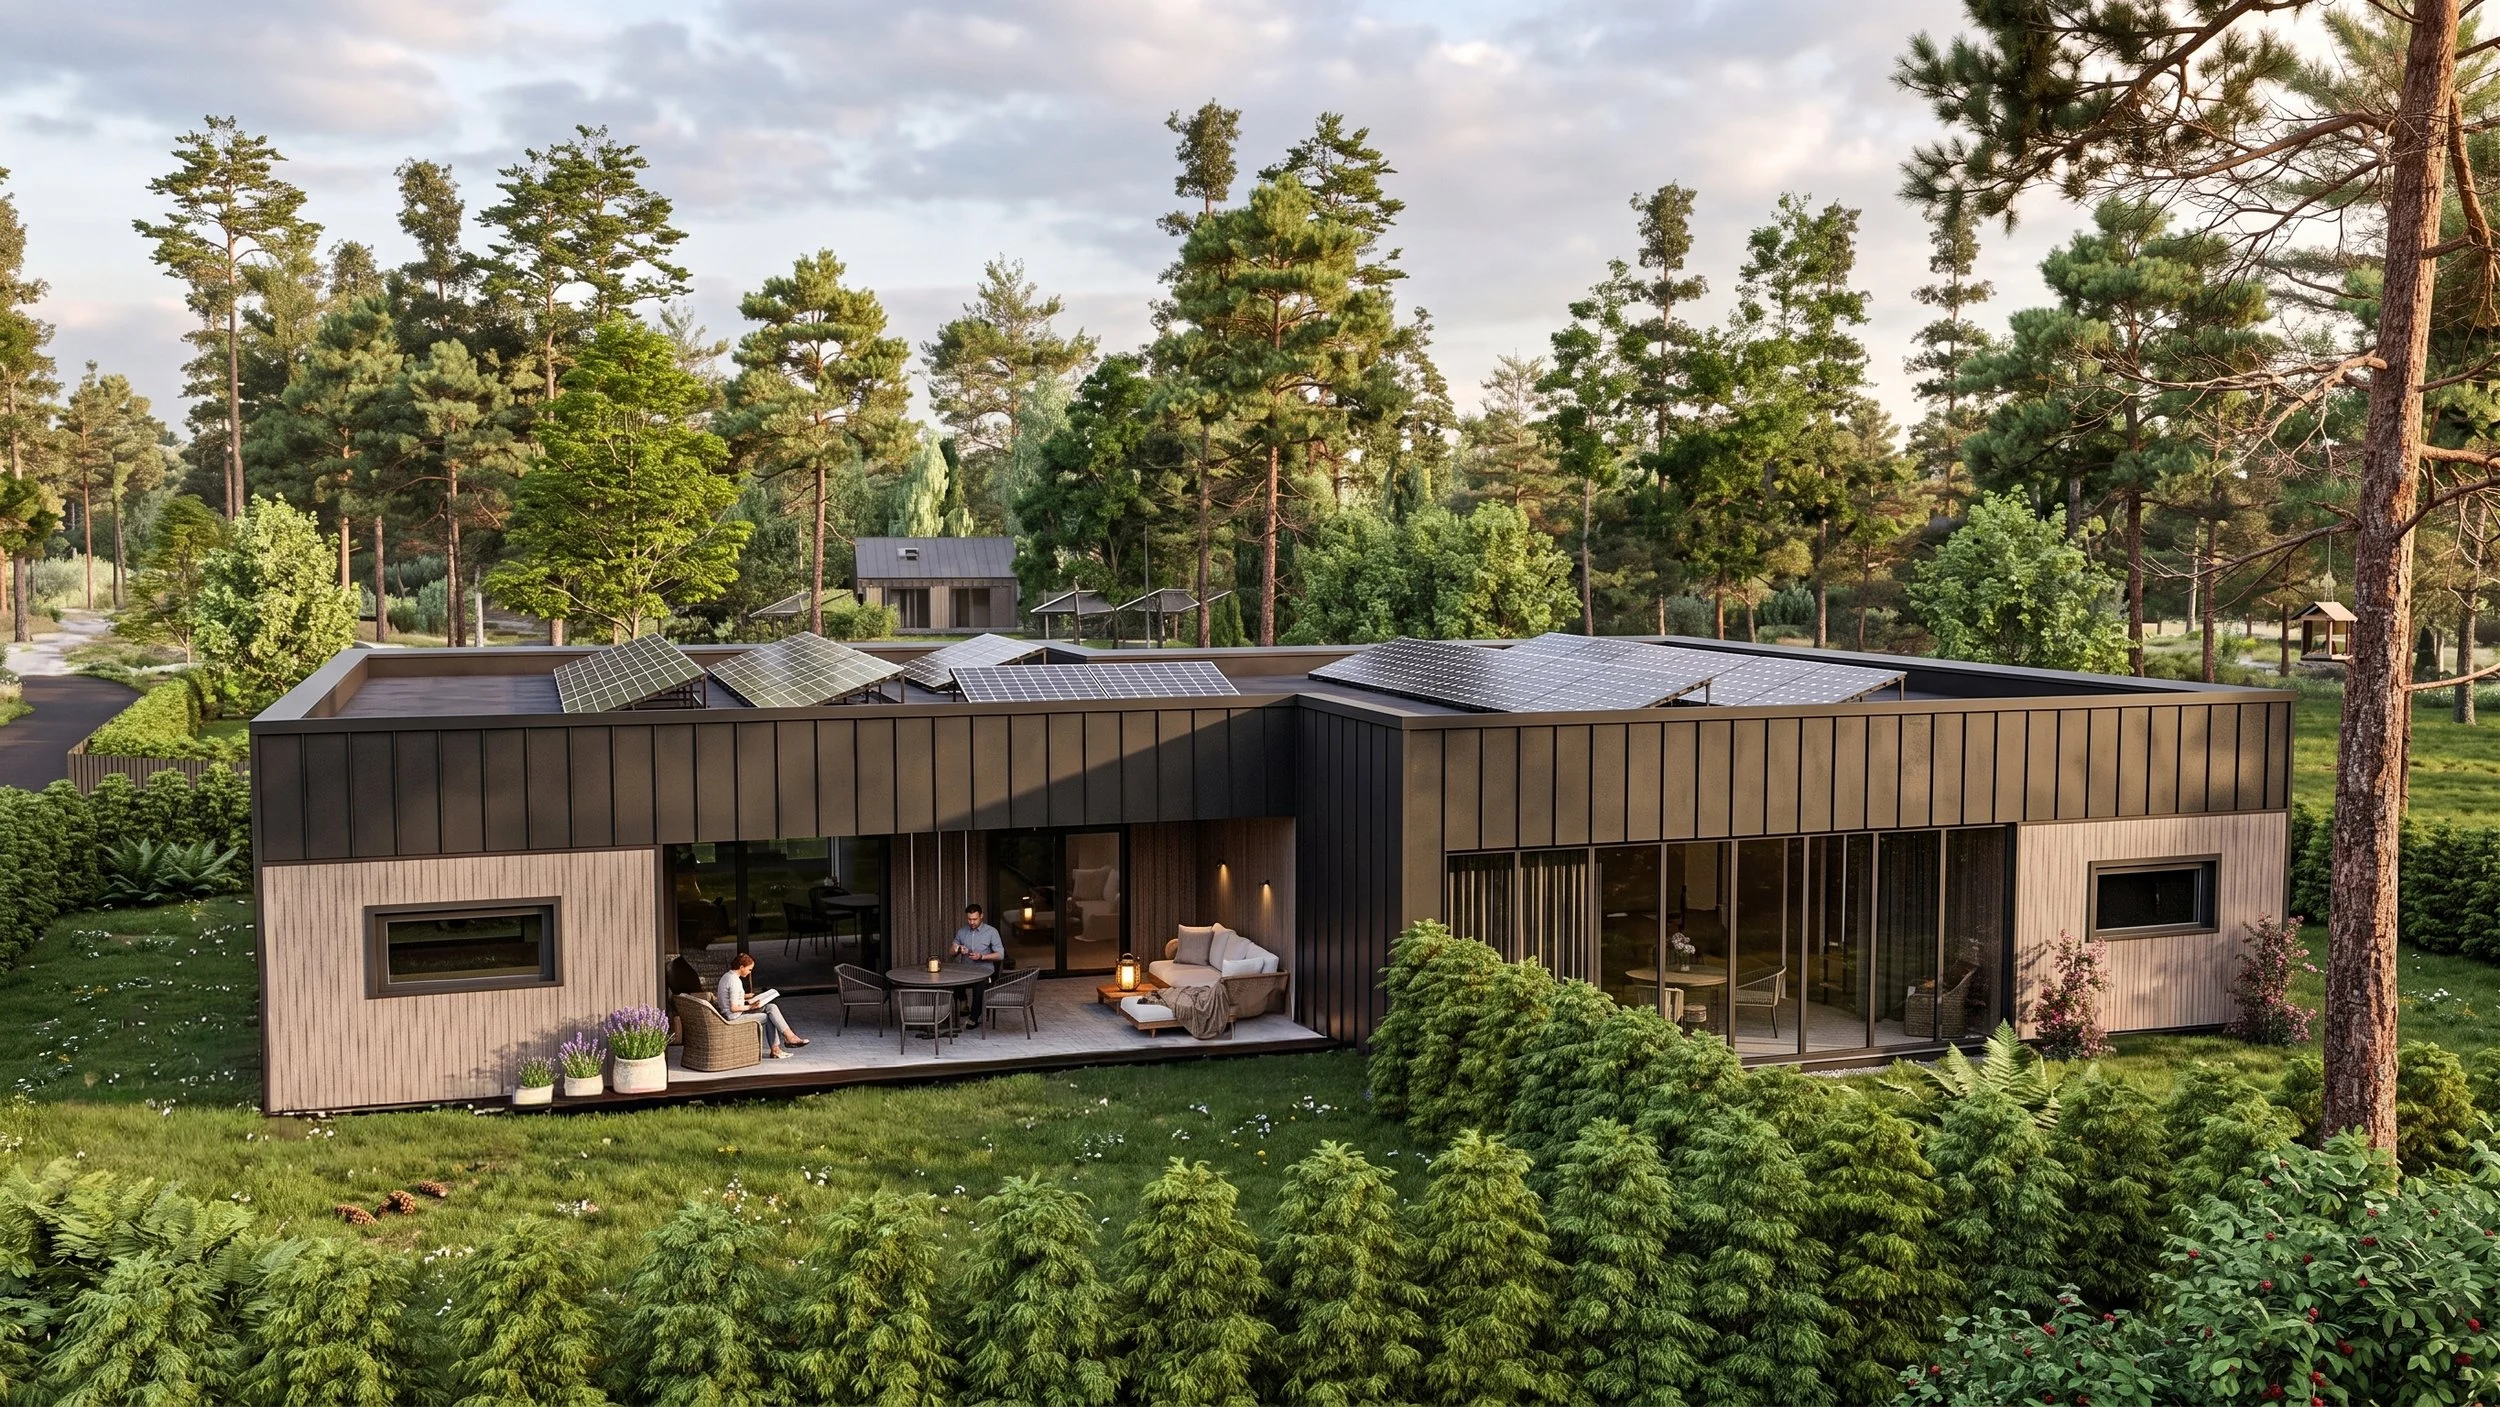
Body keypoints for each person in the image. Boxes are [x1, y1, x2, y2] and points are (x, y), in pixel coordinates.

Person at [717, 951, 806, 1058]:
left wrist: (748, 996)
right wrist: (751, 1006)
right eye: (749, 969)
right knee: (768, 1017)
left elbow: (731, 996)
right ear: (741, 967)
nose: (750, 972)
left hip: (733, 1014)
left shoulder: (727, 976)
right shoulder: (734, 981)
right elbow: (734, 1007)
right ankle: (777, 1048)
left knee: (771, 1007)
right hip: (734, 1018)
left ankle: (789, 1036)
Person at [951, 903, 1004, 1019]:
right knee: (952, 979)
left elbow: (1000, 955)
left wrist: (982, 957)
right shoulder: (962, 931)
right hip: (966, 971)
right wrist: (958, 949)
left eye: (975, 919)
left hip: (985, 971)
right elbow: (951, 952)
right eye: (969, 919)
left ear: (981, 916)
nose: (972, 922)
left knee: (979, 985)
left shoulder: (991, 932)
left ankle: (974, 1018)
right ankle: (963, 1004)